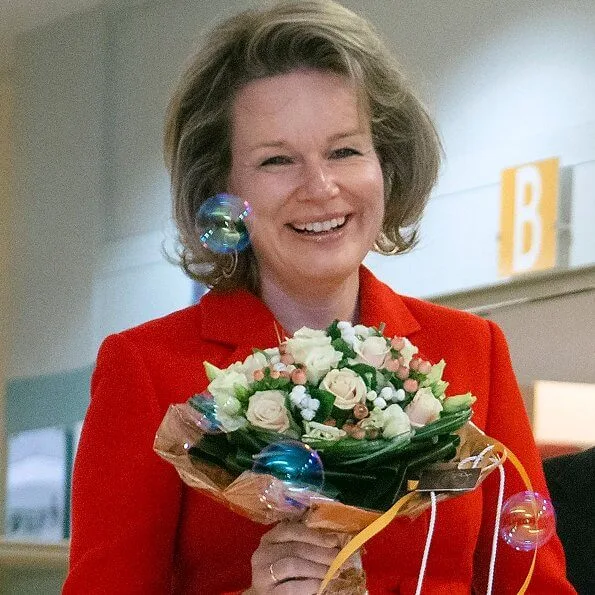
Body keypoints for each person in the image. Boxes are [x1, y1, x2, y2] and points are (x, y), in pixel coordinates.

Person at [63, 2, 576, 594]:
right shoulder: (146, 368)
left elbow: (535, 582)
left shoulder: (470, 348)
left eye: (345, 151)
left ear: (386, 162)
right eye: (277, 160)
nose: (320, 188)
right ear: (224, 186)